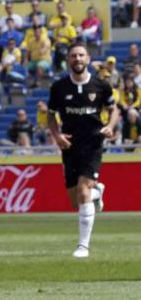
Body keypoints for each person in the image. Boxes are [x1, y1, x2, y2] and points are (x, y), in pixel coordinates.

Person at [47, 45, 118, 258]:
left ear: (88, 58)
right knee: (75, 200)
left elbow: (114, 109)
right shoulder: (59, 87)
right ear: (68, 59)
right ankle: (98, 191)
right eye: (73, 55)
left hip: (93, 143)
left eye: (81, 55)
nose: (77, 58)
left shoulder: (101, 85)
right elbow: (51, 116)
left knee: (82, 192)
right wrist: (57, 135)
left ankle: (83, 246)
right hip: (69, 145)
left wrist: (110, 126)